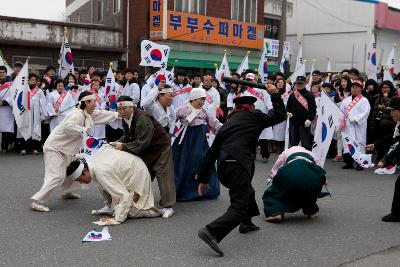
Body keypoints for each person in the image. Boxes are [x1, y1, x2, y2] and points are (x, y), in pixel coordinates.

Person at [196, 84, 286, 256]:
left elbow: (211, 152)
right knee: (239, 207)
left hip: (224, 167)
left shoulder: (227, 124)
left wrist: (203, 178)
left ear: (236, 108)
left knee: (246, 190)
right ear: (251, 107)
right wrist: (275, 94)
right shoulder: (255, 116)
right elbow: (280, 115)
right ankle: (211, 231)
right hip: (238, 165)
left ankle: (246, 223)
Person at [31, 91, 120, 212]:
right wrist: (83, 129)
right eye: (93, 102)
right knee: (56, 175)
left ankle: (66, 192)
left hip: (66, 149)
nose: (95, 104)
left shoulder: (87, 114)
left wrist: (116, 114)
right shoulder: (77, 115)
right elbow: (68, 126)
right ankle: (37, 201)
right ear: (86, 102)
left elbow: (100, 114)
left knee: (72, 170)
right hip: (54, 147)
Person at [113, 96, 176, 218]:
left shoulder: (142, 118)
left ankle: (168, 206)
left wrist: (124, 147)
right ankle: (140, 202)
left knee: (163, 174)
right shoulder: (125, 118)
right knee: (141, 173)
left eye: (124, 108)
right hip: (146, 148)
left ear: (132, 107)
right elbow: (126, 136)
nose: (121, 111)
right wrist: (117, 142)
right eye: (119, 109)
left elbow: (143, 142)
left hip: (160, 146)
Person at [65, 146, 160, 225]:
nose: (81, 183)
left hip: (138, 174)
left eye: (79, 180)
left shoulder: (101, 172)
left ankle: (151, 212)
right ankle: (111, 207)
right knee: (103, 185)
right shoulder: (92, 165)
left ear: (85, 171)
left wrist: (117, 219)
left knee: (128, 211)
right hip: (132, 168)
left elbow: (124, 195)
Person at [173, 88, 222, 201]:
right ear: (193, 98)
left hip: (200, 139)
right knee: (183, 162)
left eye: (204, 99)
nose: (202, 102)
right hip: (185, 138)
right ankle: (182, 191)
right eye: (200, 99)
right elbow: (171, 119)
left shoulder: (204, 111)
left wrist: (225, 130)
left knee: (201, 161)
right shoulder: (182, 109)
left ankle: (203, 191)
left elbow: (214, 124)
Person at [262, 146, 327, 222]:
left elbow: (276, 167)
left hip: (291, 170)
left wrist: (272, 178)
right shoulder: (311, 153)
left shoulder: (286, 152)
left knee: (275, 192)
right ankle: (311, 212)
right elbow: (319, 167)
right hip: (310, 172)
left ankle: (276, 213)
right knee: (309, 189)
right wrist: (323, 179)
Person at [373, 97, 400, 222]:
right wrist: (375, 145)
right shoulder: (398, 125)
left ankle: (397, 214)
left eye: (393, 110)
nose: (391, 113)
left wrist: (386, 160)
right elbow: (392, 140)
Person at [237, 72, 274, 162]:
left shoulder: (262, 89)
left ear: (255, 80)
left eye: (251, 80)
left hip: (261, 115)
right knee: (251, 136)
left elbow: (268, 100)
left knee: (263, 137)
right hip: (249, 116)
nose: (250, 82)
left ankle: (265, 154)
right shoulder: (243, 91)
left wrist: (270, 109)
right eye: (248, 80)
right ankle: (252, 154)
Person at [339, 80, 371, 170]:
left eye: (357, 87)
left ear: (361, 89)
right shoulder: (346, 101)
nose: (355, 89)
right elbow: (341, 113)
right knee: (347, 144)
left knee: (359, 143)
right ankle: (348, 162)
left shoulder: (364, 101)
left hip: (358, 126)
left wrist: (356, 119)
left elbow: (365, 112)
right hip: (347, 126)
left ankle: (360, 163)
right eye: (353, 87)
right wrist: (339, 125)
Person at [17, 73, 47, 155]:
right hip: (25, 113)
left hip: (35, 114)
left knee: (34, 130)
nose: (33, 81)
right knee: (25, 129)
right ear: (28, 81)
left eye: (35, 80)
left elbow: (43, 103)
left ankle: (33, 148)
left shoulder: (39, 91)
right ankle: (23, 148)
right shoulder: (24, 90)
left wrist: (43, 114)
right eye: (31, 80)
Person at [286, 76, 317, 151]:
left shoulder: (309, 95)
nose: (299, 85)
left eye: (301, 83)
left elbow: (313, 109)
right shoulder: (292, 95)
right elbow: (288, 107)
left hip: (304, 123)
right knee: (293, 144)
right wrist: (288, 113)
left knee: (305, 144)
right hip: (293, 122)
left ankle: (306, 160)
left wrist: (309, 119)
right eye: (297, 83)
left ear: (305, 83)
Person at [272, 78, 291, 154]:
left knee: (281, 130)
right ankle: (273, 145)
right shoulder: (272, 92)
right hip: (273, 112)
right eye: (278, 82)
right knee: (273, 129)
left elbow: (287, 103)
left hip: (282, 113)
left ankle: (280, 147)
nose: (280, 84)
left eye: (282, 82)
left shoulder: (286, 93)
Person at [0, 65, 14, 154]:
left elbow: (13, 96)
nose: (1, 74)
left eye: (3, 72)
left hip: (6, 109)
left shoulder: (10, 83)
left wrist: (3, 102)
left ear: (6, 73)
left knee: (6, 128)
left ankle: (5, 146)